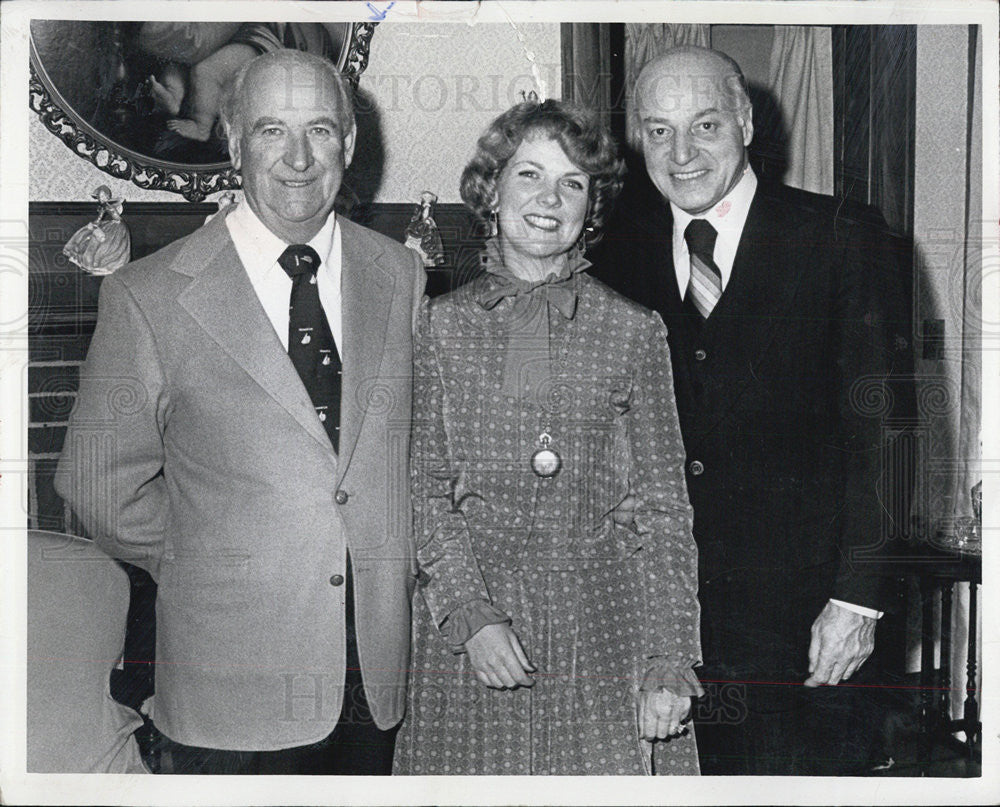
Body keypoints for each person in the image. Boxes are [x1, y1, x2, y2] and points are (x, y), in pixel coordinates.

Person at [55, 49, 425, 775]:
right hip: (229, 685)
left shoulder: (401, 273)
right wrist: (207, 553)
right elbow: (94, 478)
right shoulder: (149, 294)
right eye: (270, 130)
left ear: (348, 145)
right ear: (232, 141)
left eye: (320, 130)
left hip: (371, 679)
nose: (297, 157)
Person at [589, 45, 913, 775]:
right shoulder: (613, 249)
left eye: (704, 125)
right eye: (659, 130)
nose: (681, 152)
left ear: (744, 120)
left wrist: (857, 603)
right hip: (660, 630)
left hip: (806, 634)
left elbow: (888, 434)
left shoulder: (841, 237)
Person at [393, 99, 703, 776]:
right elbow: (423, 490)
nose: (549, 198)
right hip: (474, 631)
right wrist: (472, 617)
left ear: (591, 206)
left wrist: (668, 658)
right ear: (491, 190)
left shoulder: (635, 330)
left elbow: (664, 510)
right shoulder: (435, 329)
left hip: (606, 625)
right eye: (529, 174)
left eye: (572, 182)